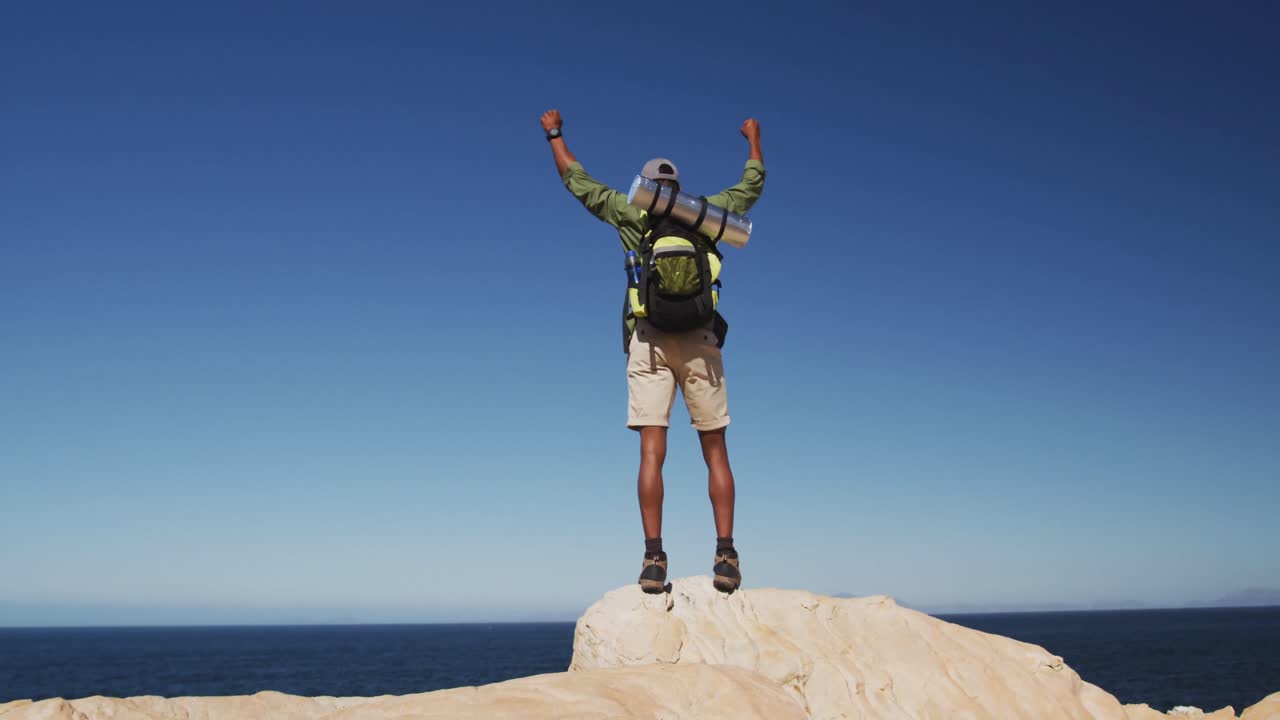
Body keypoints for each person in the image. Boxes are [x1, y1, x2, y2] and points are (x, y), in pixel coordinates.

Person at [539, 109, 765, 594]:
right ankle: (726, 554)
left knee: (651, 452)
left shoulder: (630, 213)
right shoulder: (704, 214)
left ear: (647, 186)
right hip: (702, 342)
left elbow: (576, 181)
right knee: (716, 450)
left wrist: (555, 133)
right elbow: (753, 186)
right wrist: (753, 139)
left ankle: (653, 559)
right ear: (677, 188)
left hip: (649, 339)